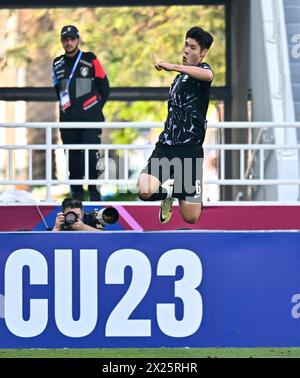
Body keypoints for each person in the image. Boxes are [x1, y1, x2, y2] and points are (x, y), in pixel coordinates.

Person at [137, 26, 214, 224]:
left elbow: (209, 76)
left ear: (202, 53)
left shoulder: (203, 71)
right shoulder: (178, 79)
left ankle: (182, 190)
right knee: (144, 190)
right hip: (166, 147)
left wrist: (174, 66)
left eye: (193, 47)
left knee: (191, 217)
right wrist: (177, 71)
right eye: (186, 45)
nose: (186, 50)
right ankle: (167, 195)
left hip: (189, 151)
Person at [52, 25, 110, 202]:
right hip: (68, 121)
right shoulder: (57, 63)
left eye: (72, 39)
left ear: (78, 40)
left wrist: (93, 108)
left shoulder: (90, 59)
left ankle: (94, 194)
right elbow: (58, 89)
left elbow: (105, 87)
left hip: (90, 121)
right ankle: (76, 196)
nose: (68, 42)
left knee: (91, 157)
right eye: (65, 39)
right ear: (62, 41)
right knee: (73, 160)